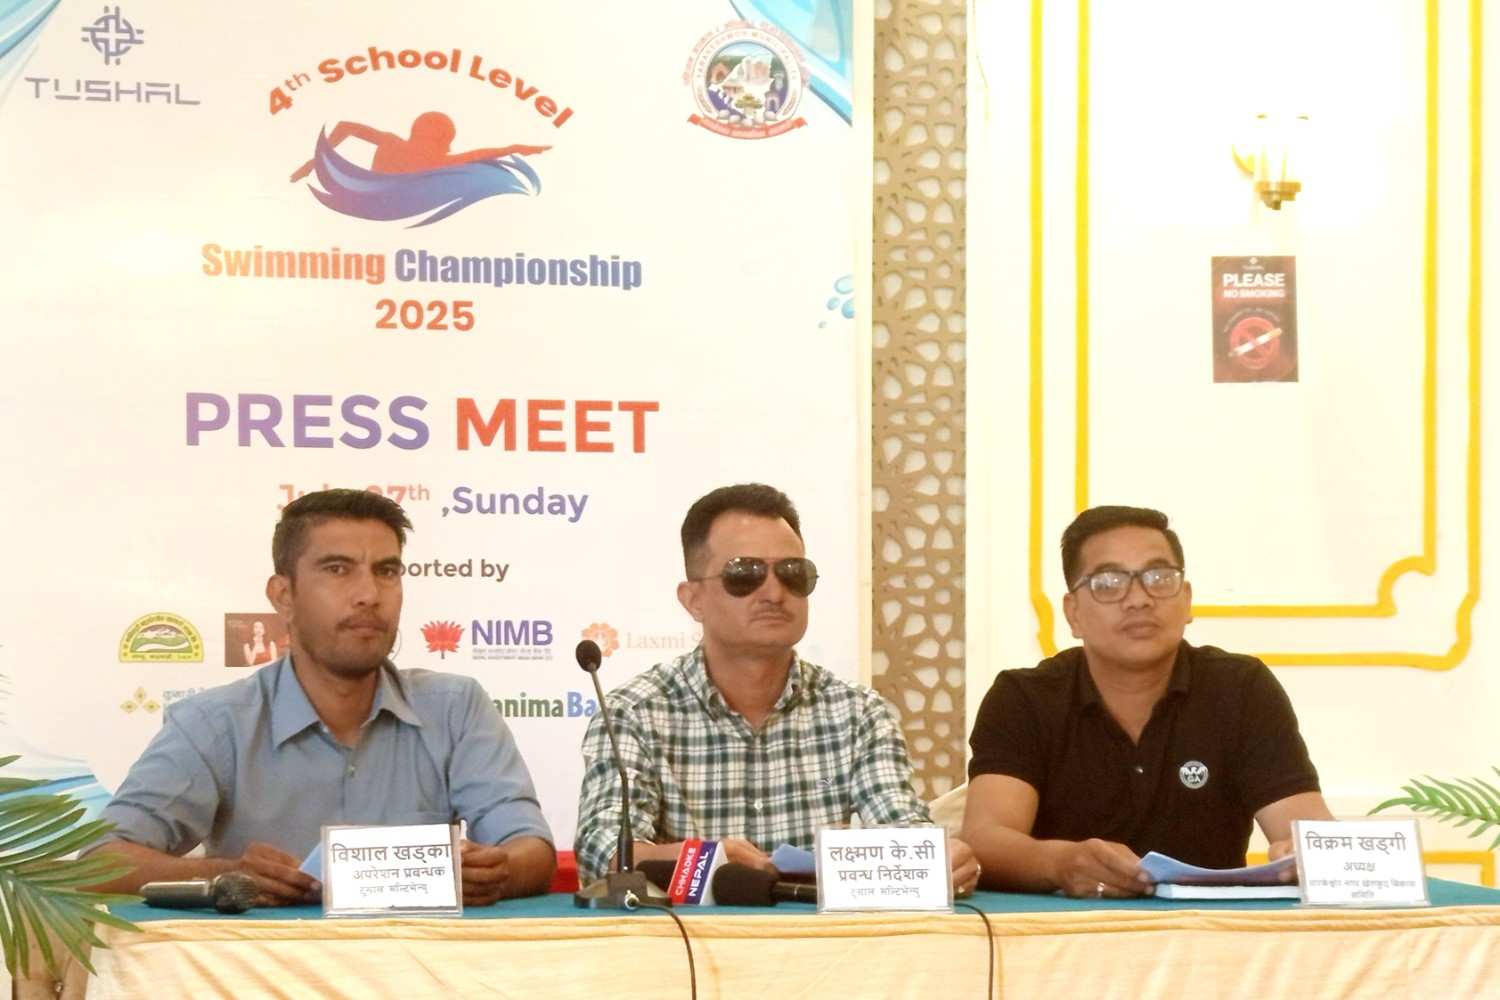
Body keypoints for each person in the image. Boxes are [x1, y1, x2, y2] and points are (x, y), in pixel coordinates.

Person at [87, 489, 555, 905]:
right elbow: (100, 861)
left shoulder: (455, 707)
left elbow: (530, 848)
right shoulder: (213, 724)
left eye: (386, 571)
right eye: (337, 570)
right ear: (283, 596)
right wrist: (221, 875)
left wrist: (496, 872)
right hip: (260, 968)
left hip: (424, 964)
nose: (369, 594)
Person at [574, 483, 979, 891]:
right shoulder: (635, 713)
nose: (774, 593)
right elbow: (602, 852)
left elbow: (901, 826)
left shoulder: (858, 712)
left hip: (826, 931)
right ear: (693, 600)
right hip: (687, 931)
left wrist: (936, 858)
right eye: (744, 574)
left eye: (792, 574)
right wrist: (706, 858)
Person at [961, 505, 1333, 898]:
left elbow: (1306, 828)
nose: (1138, 599)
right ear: (1073, 614)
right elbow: (985, 839)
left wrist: (1301, 853)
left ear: (1186, 600)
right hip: (1061, 927)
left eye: (1158, 577)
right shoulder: (1024, 698)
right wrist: (1061, 863)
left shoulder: (1241, 689)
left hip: (1212, 928)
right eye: (1108, 583)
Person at [289, 111, 549, 181]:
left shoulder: (440, 160)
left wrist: (512, 148)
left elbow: (479, 154)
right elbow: (346, 126)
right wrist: (315, 161)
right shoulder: (393, 142)